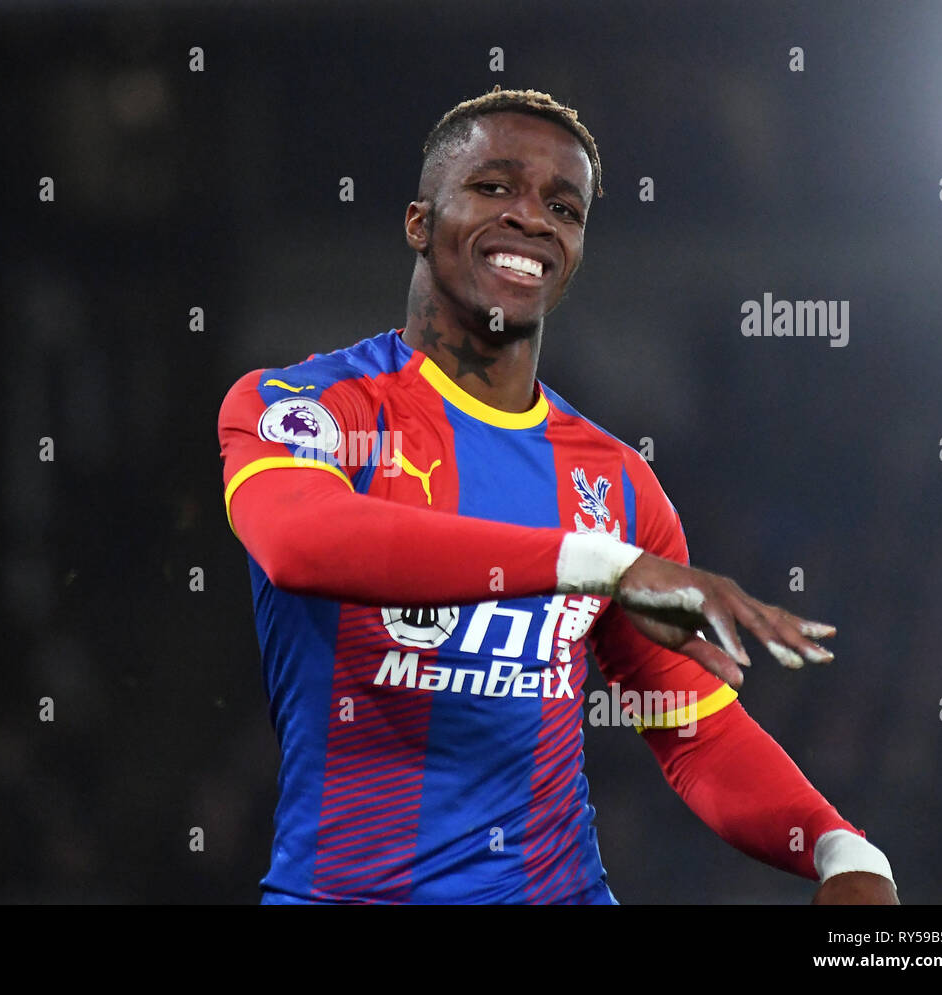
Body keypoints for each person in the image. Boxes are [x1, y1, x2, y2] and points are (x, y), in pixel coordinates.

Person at [217, 86, 896, 904]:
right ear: (418, 222)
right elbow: (300, 543)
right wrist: (597, 564)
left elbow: (692, 727)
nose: (532, 218)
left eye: (563, 207)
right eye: (494, 187)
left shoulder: (615, 483)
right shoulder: (309, 408)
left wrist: (839, 848)